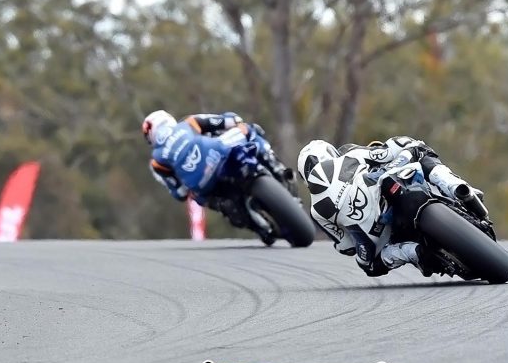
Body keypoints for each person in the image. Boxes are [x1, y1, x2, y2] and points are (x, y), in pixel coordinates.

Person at [297, 136, 488, 277]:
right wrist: (403, 150)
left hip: (382, 227)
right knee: (418, 150)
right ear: (331, 152)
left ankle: (415, 253)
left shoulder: (316, 210)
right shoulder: (351, 154)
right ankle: (459, 189)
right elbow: (385, 153)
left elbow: (346, 245)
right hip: (391, 186)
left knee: (370, 266)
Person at [141, 109, 278, 238]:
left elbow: (179, 193)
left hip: (201, 184)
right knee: (249, 129)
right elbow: (229, 120)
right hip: (219, 152)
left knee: (196, 195)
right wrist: (235, 122)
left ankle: (236, 213)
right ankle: (274, 164)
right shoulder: (189, 123)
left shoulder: (157, 161)